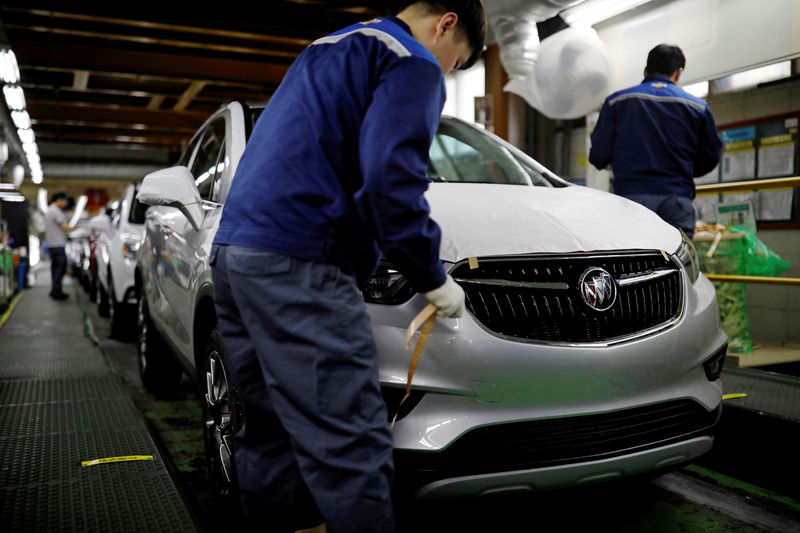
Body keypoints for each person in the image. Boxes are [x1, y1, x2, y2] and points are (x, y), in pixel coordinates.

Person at [209, 2, 486, 532]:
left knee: (269, 431)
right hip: (300, 261)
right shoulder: (412, 59)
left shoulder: (327, 46)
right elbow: (390, 184)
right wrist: (432, 276)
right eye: (457, 62)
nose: (447, 71)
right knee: (351, 444)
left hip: (236, 255)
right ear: (446, 23)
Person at [589, 44, 722, 238]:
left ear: (645, 71)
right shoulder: (697, 107)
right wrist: (682, 170)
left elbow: (598, 155)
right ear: (678, 73)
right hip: (676, 197)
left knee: (632, 261)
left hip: (630, 199)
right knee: (676, 261)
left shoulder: (617, 102)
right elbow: (711, 156)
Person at [44, 192, 74, 300]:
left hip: (52, 245)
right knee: (60, 269)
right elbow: (65, 227)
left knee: (55, 268)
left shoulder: (50, 210)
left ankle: (54, 290)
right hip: (58, 245)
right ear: (59, 200)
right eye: (64, 200)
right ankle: (57, 292)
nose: (65, 203)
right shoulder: (56, 212)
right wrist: (80, 229)